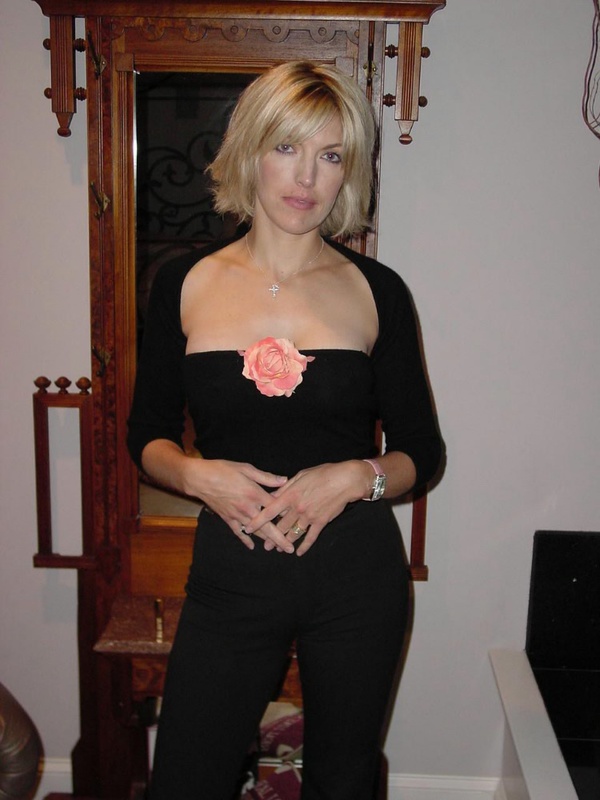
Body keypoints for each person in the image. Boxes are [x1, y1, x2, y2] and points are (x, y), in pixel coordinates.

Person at [127, 60, 442, 800]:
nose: (306, 177)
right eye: (287, 147)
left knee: (341, 781)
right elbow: (146, 436)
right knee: (185, 780)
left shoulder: (377, 290)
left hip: (357, 578)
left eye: (331, 155)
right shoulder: (183, 283)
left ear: (349, 171)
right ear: (250, 151)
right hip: (231, 575)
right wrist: (197, 474)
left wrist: (356, 477)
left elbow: (421, 454)